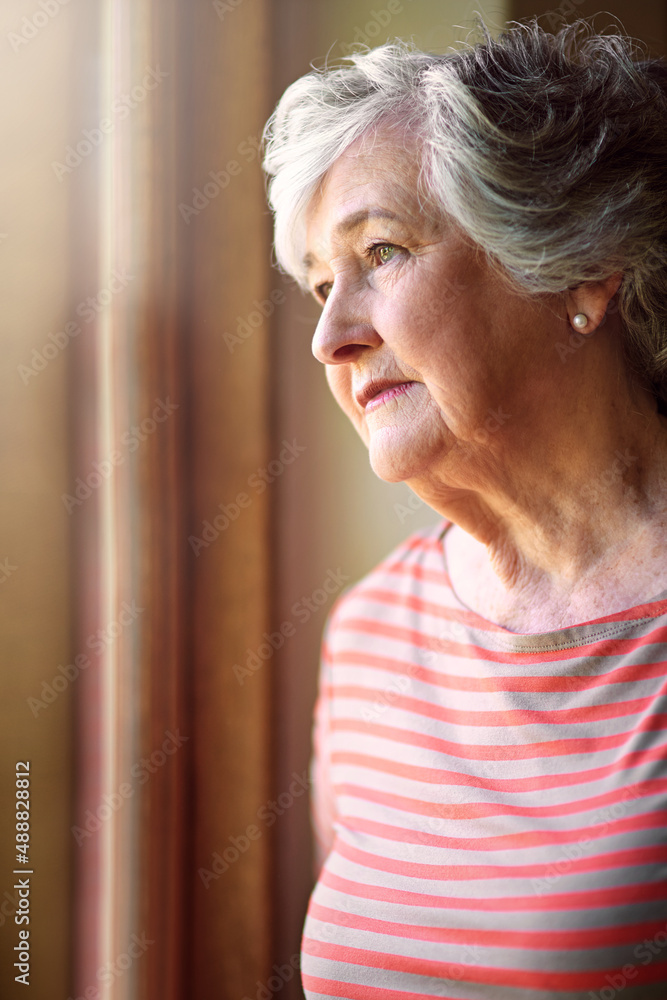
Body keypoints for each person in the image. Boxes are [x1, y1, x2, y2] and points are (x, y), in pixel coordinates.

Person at [262, 16, 667, 999]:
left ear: (579, 266)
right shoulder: (367, 637)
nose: (328, 337)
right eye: (320, 284)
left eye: (382, 252)